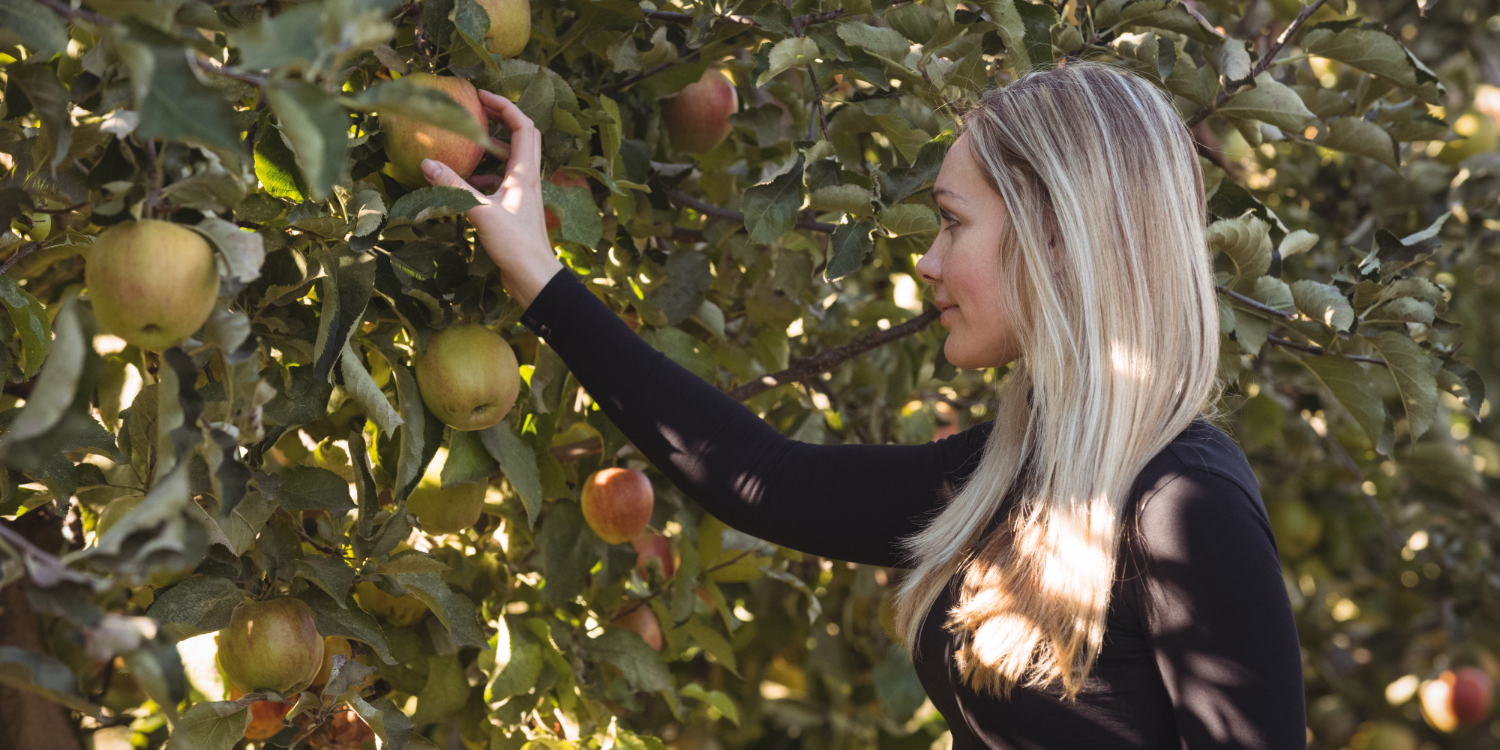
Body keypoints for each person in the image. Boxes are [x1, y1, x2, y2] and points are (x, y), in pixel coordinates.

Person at [418, 59, 1306, 749]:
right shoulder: (1020, 476)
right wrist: (536, 272)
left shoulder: (1180, 505)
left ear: (1055, 237)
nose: (927, 261)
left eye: (953, 222)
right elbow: (766, 477)